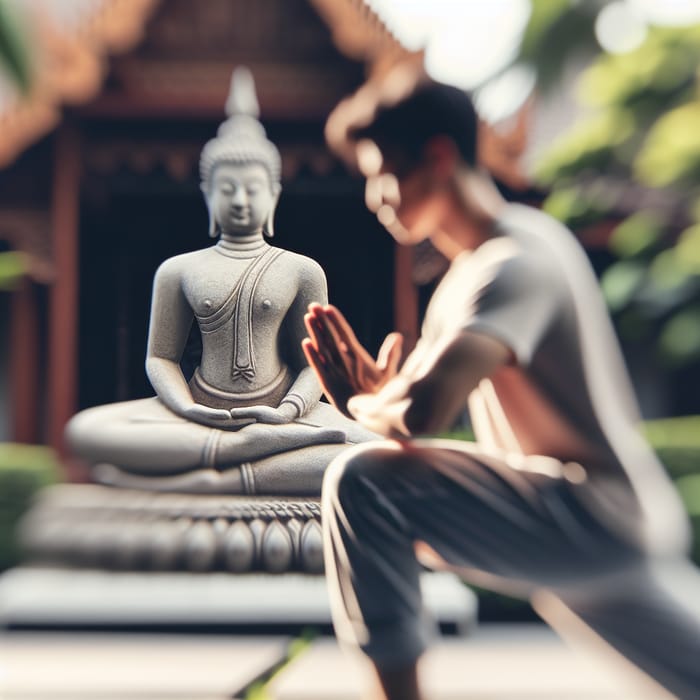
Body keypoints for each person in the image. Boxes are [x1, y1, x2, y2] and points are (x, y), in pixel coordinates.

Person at [303, 69, 700, 700]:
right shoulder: (486, 263)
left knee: (363, 483)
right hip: (599, 521)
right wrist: (385, 401)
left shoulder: (514, 262)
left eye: (383, 171)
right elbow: (408, 406)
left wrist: (363, 402)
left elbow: (426, 410)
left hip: (588, 515)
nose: (375, 195)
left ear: (437, 156)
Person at [66, 68, 375, 496]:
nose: (241, 200)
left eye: (252, 189)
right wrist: (186, 408)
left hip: (285, 415)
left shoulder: (302, 270)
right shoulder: (179, 270)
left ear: (274, 195)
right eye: (227, 189)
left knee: (378, 453)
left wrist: (288, 410)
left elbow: (312, 365)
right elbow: (161, 357)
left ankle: (226, 470)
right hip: (198, 414)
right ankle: (250, 453)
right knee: (87, 430)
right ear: (207, 194)